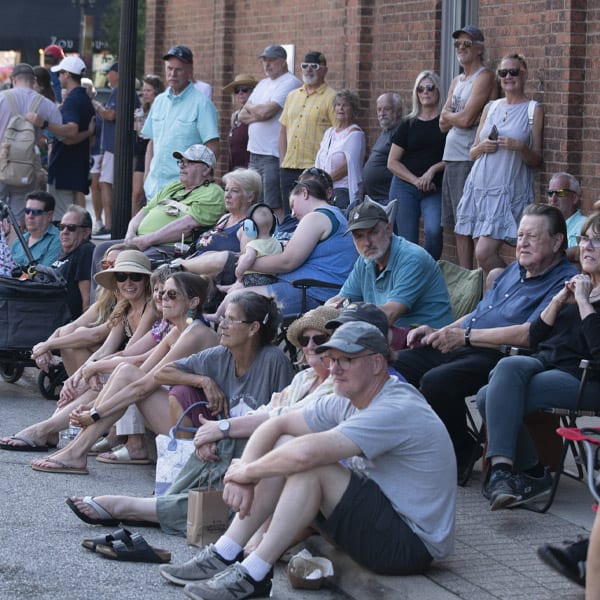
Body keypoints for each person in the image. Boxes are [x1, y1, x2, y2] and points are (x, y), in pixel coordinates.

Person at [159, 321, 456, 599]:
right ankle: (226, 551)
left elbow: (307, 455)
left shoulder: (395, 407)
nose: (335, 368)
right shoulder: (348, 396)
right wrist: (242, 473)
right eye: (333, 359)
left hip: (411, 545)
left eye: (347, 360)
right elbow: (276, 425)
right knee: (286, 443)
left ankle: (254, 573)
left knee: (311, 466)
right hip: (380, 518)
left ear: (377, 363)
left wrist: (246, 472)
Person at [65, 305, 339, 536]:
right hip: (244, 438)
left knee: (227, 440)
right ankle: (158, 501)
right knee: (171, 391)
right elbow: (156, 372)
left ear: (254, 328)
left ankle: (136, 506)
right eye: (305, 340)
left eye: (320, 340)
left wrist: (222, 429)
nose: (223, 325)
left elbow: (279, 418)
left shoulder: (274, 360)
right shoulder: (303, 378)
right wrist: (203, 382)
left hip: (281, 456)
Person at [393, 204, 578, 482]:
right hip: (467, 343)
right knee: (397, 364)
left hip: (501, 356)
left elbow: (528, 334)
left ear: (556, 241)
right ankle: (419, 445)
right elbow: (480, 313)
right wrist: (441, 330)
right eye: (520, 236)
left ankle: (462, 449)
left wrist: (465, 337)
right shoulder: (514, 270)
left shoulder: (562, 283)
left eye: (532, 236)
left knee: (436, 382)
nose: (522, 243)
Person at [28, 271, 220, 473]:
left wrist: (95, 412)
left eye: (172, 295)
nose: (163, 299)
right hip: (181, 412)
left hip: (197, 424)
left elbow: (144, 385)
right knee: (125, 370)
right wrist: (91, 406)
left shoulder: (196, 334)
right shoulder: (177, 331)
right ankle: (74, 450)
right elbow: (140, 370)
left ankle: (75, 451)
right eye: (162, 293)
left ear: (193, 302)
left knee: (127, 373)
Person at [477, 212, 600, 510]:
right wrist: (561, 299)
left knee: (492, 396)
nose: (587, 247)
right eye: (585, 239)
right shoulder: (578, 284)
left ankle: (514, 473)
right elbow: (537, 334)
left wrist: (584, 302)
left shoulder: (587, 295)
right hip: (547, 362)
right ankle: (523, 472)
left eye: (597, 241)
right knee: (495, 384)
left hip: (584, 377)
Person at [455, 53, 544, 275]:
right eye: (503, 73)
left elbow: (536, 159)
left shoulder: (533, 109)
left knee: (484, 253)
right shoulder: (491, 107)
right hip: (481, 187)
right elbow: (473, 151)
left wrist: (520, 146)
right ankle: (489, 305)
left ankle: (515, 290)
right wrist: (482, 147)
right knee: (481, 263)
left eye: (513, 72)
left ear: (524, 75)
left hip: (507, 190)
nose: (508, 77)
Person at [91, 144, 225, 276]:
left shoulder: (213, 193)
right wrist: (130, 234)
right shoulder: (174, 187)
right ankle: (102, 298)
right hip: (140, 241)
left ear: (206, 169)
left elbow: (186, 226)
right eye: (181, 161)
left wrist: (147, 241)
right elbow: (144, 211)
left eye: (189, 162)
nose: (182, 165)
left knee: (130, 261)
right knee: (101, 250)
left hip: (168, 247)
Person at [327, 201, 453, 334]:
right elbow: (339, 300)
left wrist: (344, 312)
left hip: (429, 342)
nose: (367, 243)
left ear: (389, 229)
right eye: (359, 236)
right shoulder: (365, 260)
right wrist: (330, 309)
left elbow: (388, 316)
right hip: (392, 339)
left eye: (373, 232)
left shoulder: (412, 258)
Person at [240, 178, 358, 314]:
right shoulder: (331, 215)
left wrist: (246, 263)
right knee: (236, 295)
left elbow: (287, 262)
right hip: (309, 289)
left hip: (313, 294)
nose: (293, 214)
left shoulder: (317, 217)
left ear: (305, 193)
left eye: (292, 204)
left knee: (238, 299)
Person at [439, 26, 497, 269]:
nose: (461, 48)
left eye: (467, 44)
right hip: (451, 158)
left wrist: (455, 116)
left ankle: (475, 283)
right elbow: (442, 122)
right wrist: (455, 116)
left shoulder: (484, 77)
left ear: (480, 48)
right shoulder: (457, 80)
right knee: (457, 225)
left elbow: (464, 119)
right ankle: (465, 277)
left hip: (468, 157)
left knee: (469, 223)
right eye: (457, 45)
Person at [142, 45, 219, 200]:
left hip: (183, 191)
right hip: (154, 188)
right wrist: (146, 176)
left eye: (179, 69)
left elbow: (212, 148)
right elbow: (152, 141)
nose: (173, 74)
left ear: (190, 70)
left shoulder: (201, 104)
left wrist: (198, 182)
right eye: (169, 68)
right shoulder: (159, 101)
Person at [238, 44, 301, 220]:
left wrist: (257, 110)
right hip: (254, 153)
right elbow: (243, 115)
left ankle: (277, 238)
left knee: (274, 203)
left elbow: (268, 112)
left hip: (273, 154)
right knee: (254, 202)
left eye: (271, 60)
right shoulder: (263, 84)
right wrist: (257, 111)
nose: (267, 64)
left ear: (283, 62)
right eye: (264, 60)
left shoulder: (290, 82)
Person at [388, 71, 446, 259]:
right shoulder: (408, 123)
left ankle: (429, 274)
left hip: (434, 188)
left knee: (434, 231)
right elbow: (392, 162)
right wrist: (416, 180)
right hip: (405, 187)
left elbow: (455, 156)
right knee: (407, 240)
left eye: (430, 87)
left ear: (438, 90)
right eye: (420, 89)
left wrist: (432, 170)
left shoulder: (446, 123)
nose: (425, 92)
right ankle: (409, 280)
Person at [32, 56, 95, 220]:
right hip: (75, 169)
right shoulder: (85, 99)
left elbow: (71, 131)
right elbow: (77, 137)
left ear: (67, 74)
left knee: (61, 221)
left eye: (60, 73)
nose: (58, 77)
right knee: (74, 220)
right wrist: (87, 134)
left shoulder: (73, 100)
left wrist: (45, 123)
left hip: (63, 170)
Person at [0, 63, 62, 226]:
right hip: (26, 166)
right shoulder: (45, 104)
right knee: (19, 219)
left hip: (1, 163)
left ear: (13, 79)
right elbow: (60, 134)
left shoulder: (1, 98)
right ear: (33, 80)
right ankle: (13, 249)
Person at [278, 51, 336, 212]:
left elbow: (338, 134)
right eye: (305, 66)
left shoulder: (332, 98)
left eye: (314, 66)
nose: (308, 70)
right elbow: (283, 130)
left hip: (313, 168)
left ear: (324, 70)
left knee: (310, 214)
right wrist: (283, 162)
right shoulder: (292, 96)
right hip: (289, 166)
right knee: (289, 215)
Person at [205, 204, 282, 323]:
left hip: (253, 280)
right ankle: (229, 287)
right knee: (235, 288)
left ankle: (217, 315)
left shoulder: (254, 244)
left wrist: (239, 272)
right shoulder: (277, 243)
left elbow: (249, 258)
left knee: (231, 296)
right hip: (270, 280)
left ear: (249, 227)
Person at [315, 89, 366, 210]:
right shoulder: (329, 132)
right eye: (338, 105)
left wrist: (325, 181)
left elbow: (348, 166)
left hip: (343, 190)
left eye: (345, 105)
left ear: (353, 109)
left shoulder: (355, 134)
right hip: (324, 189)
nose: (340, 108)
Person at [51, 205, 94, 319]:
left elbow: (88, 299)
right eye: (61, 227)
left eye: (71, 228)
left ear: (86, 232)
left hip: (69, 322)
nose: (65, 232)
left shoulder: (85, 251)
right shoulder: (63, 252)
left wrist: (82, 328)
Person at [361, 92, 403, 203]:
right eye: (379, 110)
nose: (382, 113)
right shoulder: (386, 131)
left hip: (387, 198)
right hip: (374, 198)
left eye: (387, 109)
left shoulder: (400, 132)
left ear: (398, 111)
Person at [132, 74, 164, 216]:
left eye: (148, 90)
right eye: (144, 90)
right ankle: (133, 225)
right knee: (137, 193)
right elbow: (137, 133)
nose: (145, 94)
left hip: (157, 151)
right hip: (141, 151)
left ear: (156, 91)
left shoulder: (163, 109)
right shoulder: (140, 111)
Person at [9, 191, 61, 267]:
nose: (30, 216)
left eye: (36, 212)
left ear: (49, 215)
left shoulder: (57, 240)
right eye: (27, 211)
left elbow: (44, 275)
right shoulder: (18, 241)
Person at [546, 172, 587, 262]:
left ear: (574, 198)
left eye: (560, 193)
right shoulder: (543, 225)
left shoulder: (585, 225)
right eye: (550, 193)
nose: (553, 199)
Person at [222, 74, 257, 171]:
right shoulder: (235, 115)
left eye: (245, 89)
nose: (240, 93)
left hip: (249, 168)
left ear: (253, 91)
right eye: (237, 91)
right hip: (235, 167)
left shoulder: (256, 113)